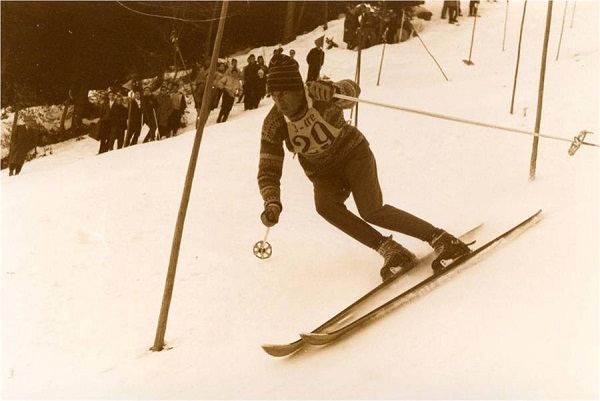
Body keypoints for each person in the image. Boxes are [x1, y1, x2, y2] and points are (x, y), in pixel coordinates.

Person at [257, 54, 470, 281]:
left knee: (371, 210)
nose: (279, 102)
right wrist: (272, 201)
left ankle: (441, 238)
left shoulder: (317, 93)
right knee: (325, 206)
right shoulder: (274, 123)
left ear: (298, 89)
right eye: (274, 95)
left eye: (284, 93)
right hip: (324, 173)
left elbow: (352, 92)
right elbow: (268, 169)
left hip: (353, 155)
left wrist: (334, 90)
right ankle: (391, 250)